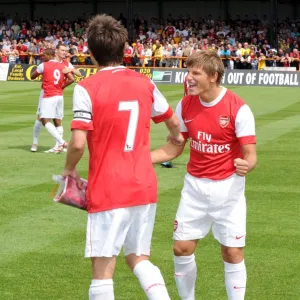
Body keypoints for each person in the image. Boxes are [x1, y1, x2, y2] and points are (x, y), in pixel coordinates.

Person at [62, 14, 184, 300]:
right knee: (138, 257)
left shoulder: (86, 87)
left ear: (90, 51)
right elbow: (174, 124)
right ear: (124, 49)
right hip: (143, 185)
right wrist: (175, 140)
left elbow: (78, 143)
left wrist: (69, 170)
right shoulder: (145, 83)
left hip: (108, 186)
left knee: (103, 267)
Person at [151, 51, 257, 300]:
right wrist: (141, 159)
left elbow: (251, 154)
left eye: (195, 73)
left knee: (232, 252)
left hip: (229, 190)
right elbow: (176, 146)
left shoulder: (238, 108)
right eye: (188, 72)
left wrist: (247, 165)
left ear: (213, 76)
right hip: (194, 188)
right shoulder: (185, 104)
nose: (188, 78)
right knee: (181, 248)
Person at [31, 43, 82, 153]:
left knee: (53, 119)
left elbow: (78, 74)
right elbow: (73, 78)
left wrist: (70, 70)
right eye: (62, 50)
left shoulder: (65, 64)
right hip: (48, 92)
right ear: (57, 51)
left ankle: (59, 144)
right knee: (40, 117)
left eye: (65, 51)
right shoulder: (51, 63)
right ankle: (35, 143)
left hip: (52, 94)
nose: (65, 52)